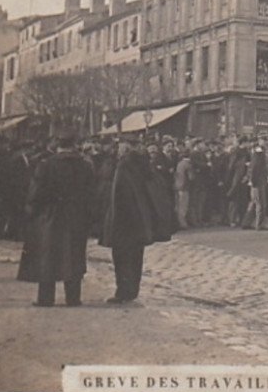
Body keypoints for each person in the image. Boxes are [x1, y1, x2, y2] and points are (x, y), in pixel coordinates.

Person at [17, 128, 95, 307]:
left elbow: (35, 194)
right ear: (75, 145)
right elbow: (91, 195)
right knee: (74, 255)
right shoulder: (85, 166)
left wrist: (32, 213)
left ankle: (45, 298)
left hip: (50, 217)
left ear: (57, 145)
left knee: (48, 256)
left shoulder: (46, 165)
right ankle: (73, 297)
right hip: (76, 217)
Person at [99, 133, 173, 303]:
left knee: (122, 256)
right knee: (136, 255)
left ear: (125, 146)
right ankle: (133, 290)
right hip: (141, 217)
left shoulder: (123, 165)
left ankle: (123, 291)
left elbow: (118, 194)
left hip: (124, 218)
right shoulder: (145, 164)